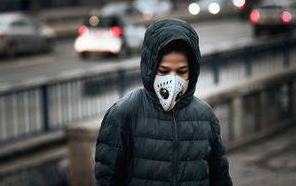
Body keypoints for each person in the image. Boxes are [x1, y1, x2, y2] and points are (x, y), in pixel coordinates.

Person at [94, 18, 232, 186]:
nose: (173, 79)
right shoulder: (124, 113)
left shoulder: (205, 115)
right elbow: (107, 179)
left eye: (182, 71)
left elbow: (220, 177)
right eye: (164, 71)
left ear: (193, 71)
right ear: (150, 67)